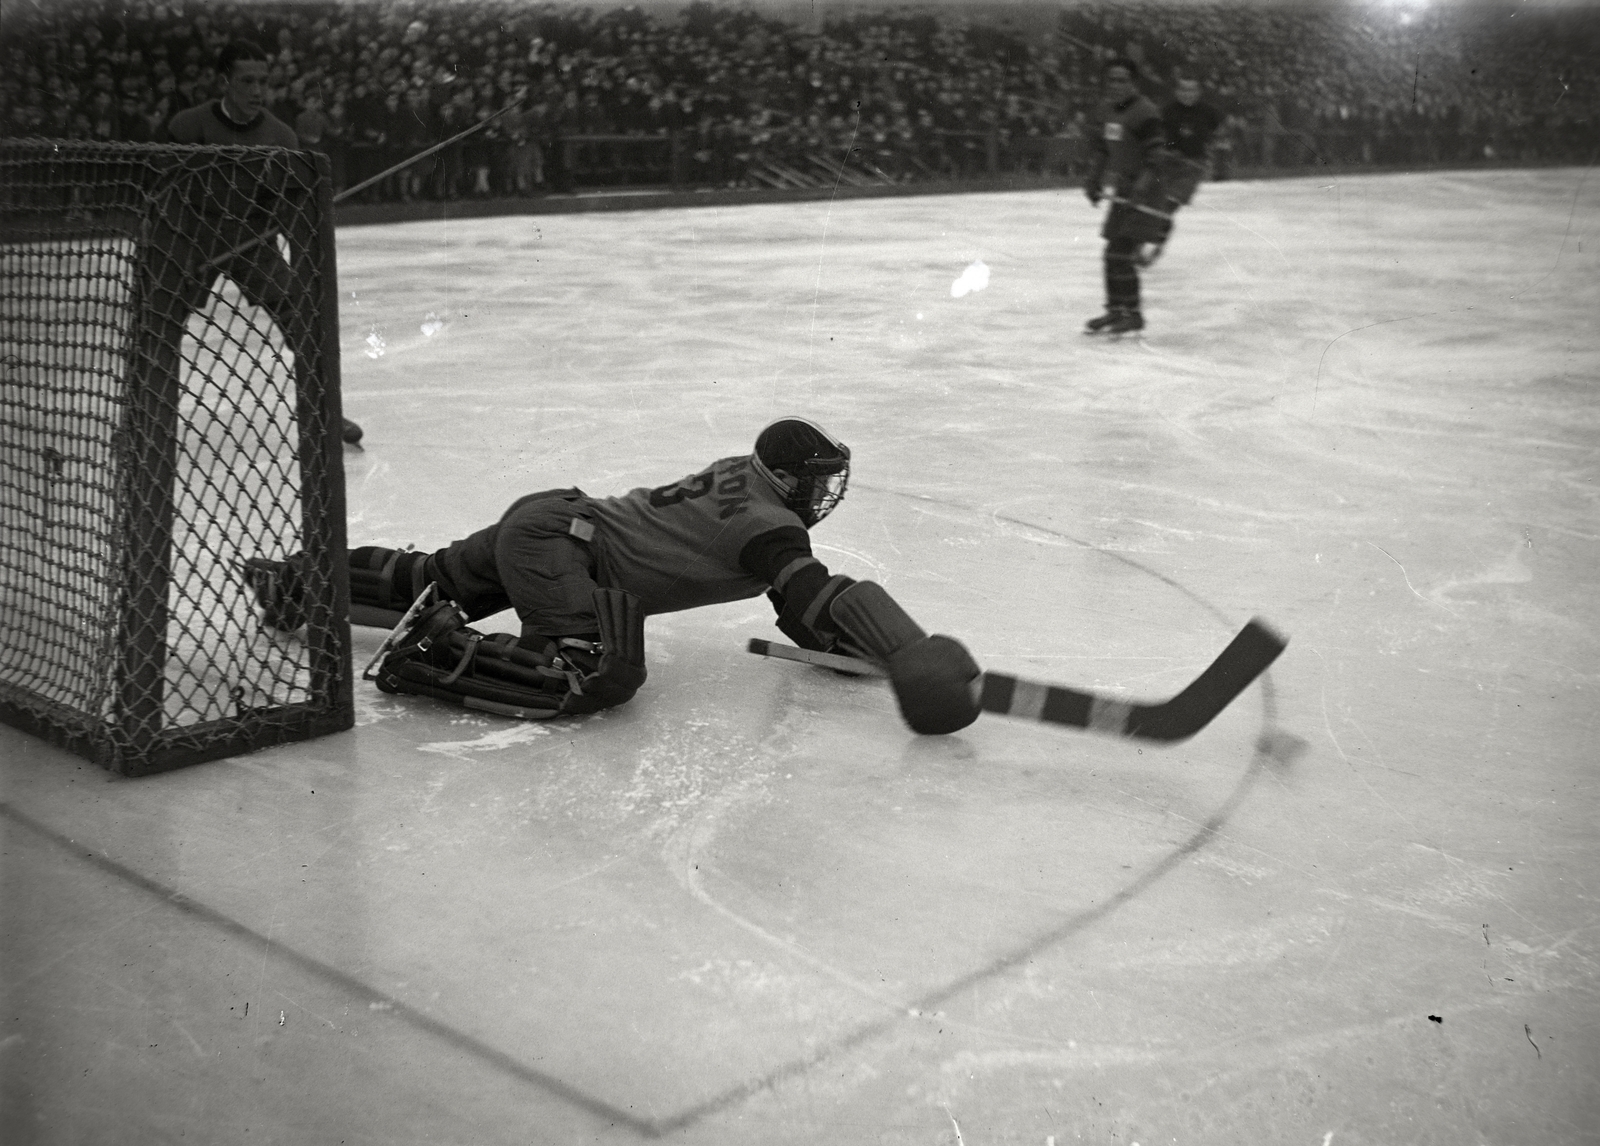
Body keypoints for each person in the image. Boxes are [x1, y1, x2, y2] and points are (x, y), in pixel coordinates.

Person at [245, 419, 983, 735]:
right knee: (592, 671)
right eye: (816, 484)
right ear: (783, 479)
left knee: (430, 577)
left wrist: (831, 634)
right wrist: (901, 648)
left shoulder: (742, 476)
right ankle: (427, 652)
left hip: (551, 523)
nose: (824, 498)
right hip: (565, 551)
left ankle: (291, 585)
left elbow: (789, 591)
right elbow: (799, 581)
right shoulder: (767, 524)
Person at [165, 39, 364, 445]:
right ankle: (143, 419)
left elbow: (288, 208)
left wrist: (293, 238)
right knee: (159, 318)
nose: (257, 90)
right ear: (224, 82)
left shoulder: (281, 135)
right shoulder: (187, 127)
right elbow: (164, 194)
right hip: (195, 234)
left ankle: (327, 413)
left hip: (252, 238)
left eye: (263, 81)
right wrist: (177, 249)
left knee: (302, 319)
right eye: (246, 81)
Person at [1081, 58, 1165, 337]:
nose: (1116, 86)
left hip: (1148, 193)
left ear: (1134, 83)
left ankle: (1133, 314)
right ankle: (1117, 310)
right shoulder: (1105, 110)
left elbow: (1155, 160)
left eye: (1123, 80)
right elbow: (1103, 152)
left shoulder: (1145, 113)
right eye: (1111, 80)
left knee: (1120, 252)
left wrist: (1141, 190)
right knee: (1112, 254)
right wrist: (1093, 180)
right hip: (1124, 191)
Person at [1139, 72, 1224, 266]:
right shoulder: (1167, 111)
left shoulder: (1210, 112)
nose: (1187, 94)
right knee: (1153, 206)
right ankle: (1146, 243)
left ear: (1199, 91)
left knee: (1167, 205)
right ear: (1177, 91)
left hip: (1192, 169)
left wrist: (1206, 153)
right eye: (1183, 89)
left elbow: (1217, 132)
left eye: (1192, 89)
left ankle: (1154, 247)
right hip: (1169, 165)